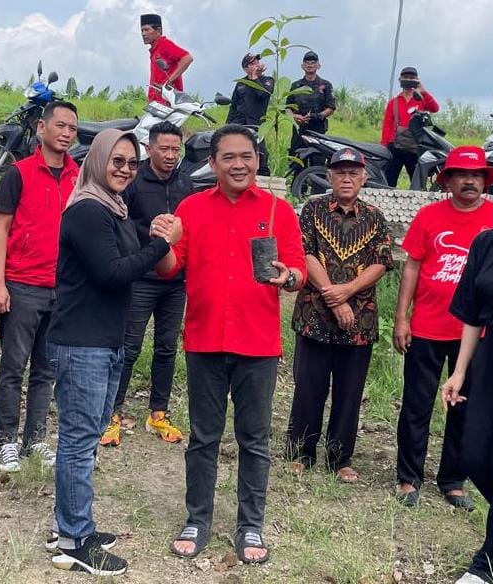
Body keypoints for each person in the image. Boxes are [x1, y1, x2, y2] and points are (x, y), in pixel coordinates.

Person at [157, 124, 306, 563]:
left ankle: (250, 525)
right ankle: (197, 518)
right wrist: (162, 243)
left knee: (254, 440)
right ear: (213, 163)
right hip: (204, 340)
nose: (239, 164)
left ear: (257, 160)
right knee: (203, 437)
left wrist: (288, 277)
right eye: (229, 157)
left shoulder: (279, 211)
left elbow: (298, 273)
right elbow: (170, 268)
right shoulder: (192, 208)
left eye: (246, 156)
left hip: (258, 345)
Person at [47, 128, 180, 576]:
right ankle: (75, 540)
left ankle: (67, 525)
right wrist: (162, 243)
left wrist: (155, 238)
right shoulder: (88, 210)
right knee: (79, 442)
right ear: (97, 160)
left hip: (104, 340)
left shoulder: (114, 209)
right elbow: (112, 273)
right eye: (117, 160)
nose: (125, 169)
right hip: (81, 342)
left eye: (131, 163)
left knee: (84, 440)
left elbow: (137, 259)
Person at [394, 146, 493, 509]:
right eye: (462, 175)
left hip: (477, 334)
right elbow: (412, 266)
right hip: (427, 326)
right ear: (448, 181)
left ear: (486, 181)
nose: (470, 181)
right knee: (416, 405)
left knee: (463, 407)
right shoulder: (429, 216)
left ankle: (453, 480)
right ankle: (408, 478)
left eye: (477, 175)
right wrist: (402, 317)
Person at [284, 148, 394, 483]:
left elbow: (382, 261)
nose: (347, 178)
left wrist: (347, 291)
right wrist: (334, 298)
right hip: (314, 314)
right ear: (329, 177)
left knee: (350, 392)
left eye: (353, 173)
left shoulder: (375, 217)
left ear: (364, 178)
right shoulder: (313, 209)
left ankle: (340, 458)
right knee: (308, 388)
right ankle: (300, 453)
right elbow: (305, 253)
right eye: (340, 172)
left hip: (359, 320)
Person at [0, 101, 79, 472]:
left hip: (63, 289)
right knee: (14, 366)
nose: (66, 133)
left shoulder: (79, 176)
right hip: (23, 284)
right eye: (60, 125)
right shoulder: (19, 173)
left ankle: (36, 438)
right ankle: (6, 440)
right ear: (42, 128)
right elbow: (1, 228)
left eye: (72, 128)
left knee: (47, 369)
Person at [100, 121, 193, 447]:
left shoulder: (186, 184)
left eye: (175, 149)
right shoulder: (133, 182)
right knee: (129, 347)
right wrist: (147, 239)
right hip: (140, 278)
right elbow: (121, 224)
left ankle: (158, 413)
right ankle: (111, 412)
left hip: (175, 281)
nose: (170, 155)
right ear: (149, 148)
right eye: (164, 148)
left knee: (166, 348)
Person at [441, 189, 493, 584]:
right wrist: (460, 371)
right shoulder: (487, 243)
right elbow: (471, 315)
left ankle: (487, 566)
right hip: (491, 355)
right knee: (474, 453)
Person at [381, 66, 440, 187]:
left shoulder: (421, 99)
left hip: (415, 146)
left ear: (417, 80)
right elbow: (387, 125)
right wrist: (384, 147)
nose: (408, 80)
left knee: (417, 181)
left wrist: (423, 90)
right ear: (400, 80)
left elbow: (435, 108)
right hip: (395, 145)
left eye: (412, 78)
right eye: (406, 77)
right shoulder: (394, 102)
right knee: (389, 180)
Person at [286, 51, 336, 174]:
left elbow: (331, 107)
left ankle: (316, 185)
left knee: (318, 162)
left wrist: (317, 116)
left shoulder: (325, 85)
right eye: (307, 62)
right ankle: (298, 185)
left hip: (318, 130)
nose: (310, 65)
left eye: (313, 62)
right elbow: (287, 107)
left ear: (318, 66)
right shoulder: (296, 85)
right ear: (302, 66)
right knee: (297, 162)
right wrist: (294, 116)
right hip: (299, 129)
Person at [140, 13, 192, 106]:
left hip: (168, 103)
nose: (143, 34)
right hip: (157, 104)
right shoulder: (154, 50)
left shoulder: (164, 44)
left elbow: (187, 58)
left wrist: (168, 82)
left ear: (158, 30)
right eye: (142, 30)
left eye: (147, 30)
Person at [227, 53, 274, 126]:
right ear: (245, 69)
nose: (257, 65)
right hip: (238, 123)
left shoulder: (268, 80)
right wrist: (227, 124)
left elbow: (262, 95)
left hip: (255, 123)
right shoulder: (241, 83)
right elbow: (233, 106)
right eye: (253, 64)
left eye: (257, 62)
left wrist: (254, 77)